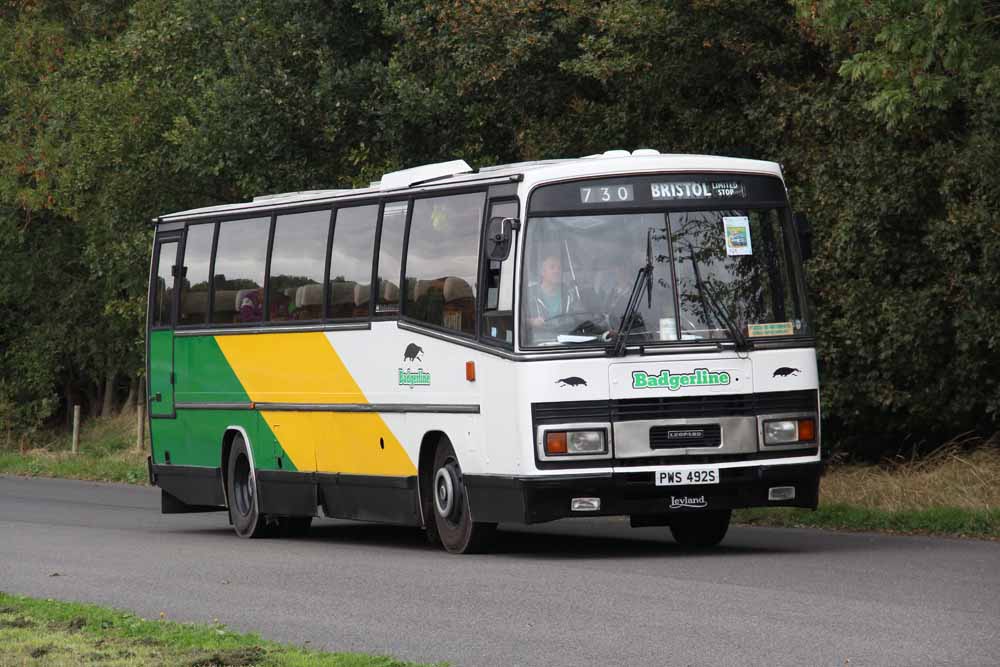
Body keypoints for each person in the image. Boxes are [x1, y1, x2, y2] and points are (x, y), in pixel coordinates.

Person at [525, 254, 579, 328]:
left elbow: (579, 317)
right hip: (540, 337)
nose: (557, 271)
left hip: (566, 336)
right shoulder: (530, 294)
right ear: (542, 272)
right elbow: (517, 318)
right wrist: (532, 322)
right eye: (552, 267)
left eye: (559, 268)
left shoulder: (570, 294)